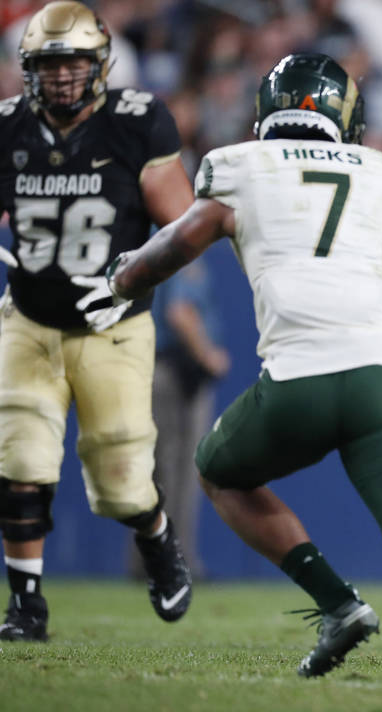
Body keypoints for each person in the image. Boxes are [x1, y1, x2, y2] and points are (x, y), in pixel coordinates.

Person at [80, 52, 382, 685]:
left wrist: (119, 280)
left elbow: (167, 251)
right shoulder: (380, 176)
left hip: (297, 383)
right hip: (380, 383)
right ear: (348, 115)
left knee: (218, 473)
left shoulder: (239, 169)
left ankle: (338, 604)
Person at [0, 1, 195, 642]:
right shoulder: (8, 128)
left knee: (120, 482)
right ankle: (26, 605)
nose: (60, 77)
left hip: (113, 322)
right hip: (29, 317)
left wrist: (131, 279)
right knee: (20, 454)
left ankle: (157, 539)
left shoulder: (137, 123)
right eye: (49, 65)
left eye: (73, 63)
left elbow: (184, 225)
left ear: (100, 65)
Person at [139, 261, 229, 579]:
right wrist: (207, 355)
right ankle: (172, 561)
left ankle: (149, 560)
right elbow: (180, 313)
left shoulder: (157, 248)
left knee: (157, 472)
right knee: (176, 472)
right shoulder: (181, 253)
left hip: (159, 367)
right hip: (176, 371)